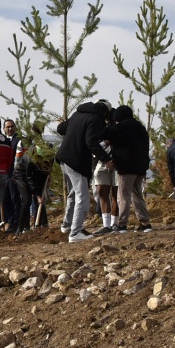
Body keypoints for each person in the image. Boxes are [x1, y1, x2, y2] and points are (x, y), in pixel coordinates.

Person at [54, 100, 107, 242]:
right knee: (82, 197)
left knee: (72, 194)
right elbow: (91, 142)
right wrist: (106, 158)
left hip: (63, 158)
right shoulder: (95, 119)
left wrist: (62, 123)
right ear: (104, 112)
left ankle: (67, 225)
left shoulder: (77, 114)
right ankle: (75, 233)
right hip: (76, 161)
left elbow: (61, 129)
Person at [100, 105, 152, 232]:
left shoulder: (121, 127)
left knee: (123, 196)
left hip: (127, 167)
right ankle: (145, 223)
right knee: (137, 195)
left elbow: (103, 133)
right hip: (140, 167)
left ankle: (122, 224)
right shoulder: (140, 127)